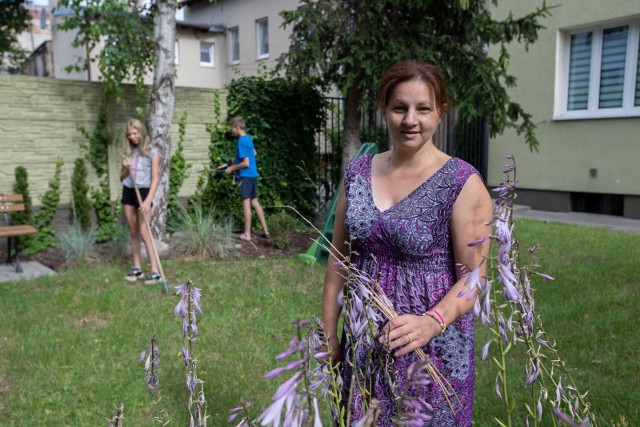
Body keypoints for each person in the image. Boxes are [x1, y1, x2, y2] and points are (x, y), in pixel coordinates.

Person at [322, 60, 492, 426]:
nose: (410, 119)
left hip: (432, 353)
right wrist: (329, 334)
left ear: (441, 112)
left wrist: (431, 322)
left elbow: (475, 276)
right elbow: (339, 260)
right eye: (399, 107)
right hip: (363, 342)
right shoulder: (358, 172)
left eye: (423, 108)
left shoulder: (462, 182)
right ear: (384, 109)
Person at [120, 118, 162, 285]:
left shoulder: (153, 152)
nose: (132, 137)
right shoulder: (128, 152)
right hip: (129, 190)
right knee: (133, 230)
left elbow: (156, 179)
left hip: (144, 192)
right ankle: (137, 269)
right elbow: (121, 177)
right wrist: (124, 166)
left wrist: (148, 200)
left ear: (141, 132)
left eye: (134, 133)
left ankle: (155, 272)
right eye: (129, 134)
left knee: (145, 232)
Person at [225, 116, 269, 241]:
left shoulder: (241, 141)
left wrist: (232, 168)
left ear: (236, 127)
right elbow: (253, 153)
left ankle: (247, 234)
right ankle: (266, 230)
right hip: (253, 175)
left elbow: (246, 163)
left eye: (231, 129)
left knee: (246, 203)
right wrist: (236, 160)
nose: (231, 131)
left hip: (246, 175)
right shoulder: (248, 138)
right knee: (254, 202)